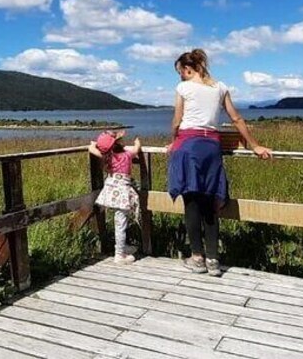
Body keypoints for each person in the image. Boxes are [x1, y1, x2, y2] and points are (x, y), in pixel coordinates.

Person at [167, 49, 272, 275]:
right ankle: (213, 260)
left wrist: (172, 142)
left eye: (181, 72)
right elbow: (236, 118)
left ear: (188, 69)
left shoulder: (183, 88)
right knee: (210, 202)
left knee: (191, 203)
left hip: (188, 145)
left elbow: (177, 120)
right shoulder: (220, 87)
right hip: (211, 147)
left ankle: (197, 258)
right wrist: (255, 146)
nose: (180, 77)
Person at [89, 130, 141, 264]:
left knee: (119, 222)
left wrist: (95, 144)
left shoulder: (107, 156)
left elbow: (91, 148)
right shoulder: (128, 155)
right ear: (118, 143)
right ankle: (119, 255)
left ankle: (121, 247)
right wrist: (137, 142)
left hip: (111, 193)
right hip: (122, 194)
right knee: (121, 224)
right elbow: (136, 149)